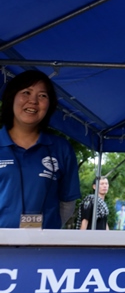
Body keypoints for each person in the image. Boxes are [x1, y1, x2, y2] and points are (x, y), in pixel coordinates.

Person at [0, 70, 81, 229]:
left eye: (42, 95)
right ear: (12, 97)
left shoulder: (61, 149)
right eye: (26, 92)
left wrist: (47, 234)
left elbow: (67, 203)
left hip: (44, 243)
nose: (33, 101)